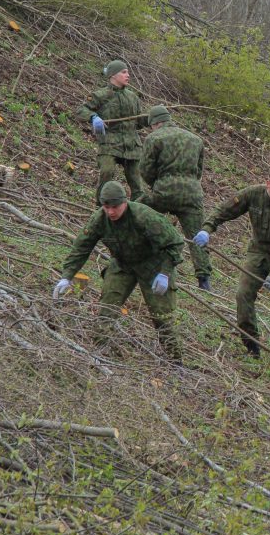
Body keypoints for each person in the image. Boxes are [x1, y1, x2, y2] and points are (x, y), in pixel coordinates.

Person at [193, 166, 270, 375]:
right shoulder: (253, 194)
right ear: (268, 183)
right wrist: (207, 228)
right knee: (243, 295)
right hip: (258, 252)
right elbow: (226, 209)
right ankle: (251, 344)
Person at [53, 181, 184, 361]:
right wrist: (67, 276)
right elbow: (81, 247)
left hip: (153, 266)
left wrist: (165, 273)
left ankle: (175, 362)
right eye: (107, 207)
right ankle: (99, 354)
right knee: (107, 308)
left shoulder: (144, 216)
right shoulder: (99, 219)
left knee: (162, 317)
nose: (111, 212)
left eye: (115, 207)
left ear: (125, 202)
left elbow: (175, 243)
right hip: (122, 265)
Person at [135, 105, 213, 291]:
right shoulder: (195, 140)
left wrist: (157, 185)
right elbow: (198, 170)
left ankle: (132, 253)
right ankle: (204, 280)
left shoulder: (153, 138)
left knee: (136, 212)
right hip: (192, 195)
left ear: (155, 123)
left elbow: (145, 170)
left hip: (163, 192)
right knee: (196, 236)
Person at [77, 59, 148, 205]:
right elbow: (81, 110)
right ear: (113, 75)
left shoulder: (132, 97)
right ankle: (101, 209)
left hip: (132, 146)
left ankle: (137, 213)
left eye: (128, 72)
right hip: (109, 144)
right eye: (124, 72)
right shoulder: (100, 95)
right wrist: (93, 117)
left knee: (137, 184)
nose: (128, 75)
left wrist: (153, 117)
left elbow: (138, 123)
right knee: (106, 173)